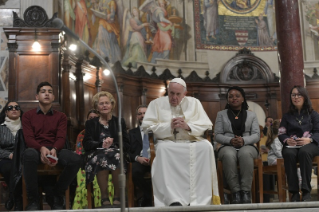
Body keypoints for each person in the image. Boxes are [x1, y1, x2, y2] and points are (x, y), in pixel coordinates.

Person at [142, 78, 220, 206]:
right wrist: (168, 126)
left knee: (206, 147)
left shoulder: (194, 103)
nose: (174, 97)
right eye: (171, 93)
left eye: (178, 94)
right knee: (162, 149)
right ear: (168, 91)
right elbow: (147, 127)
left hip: (192, 141)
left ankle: (199, 200)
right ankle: (172, 199)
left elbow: (206, 126)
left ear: (185, 93)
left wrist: (188, 126)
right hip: (168, 142)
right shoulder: (156, 104)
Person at [22, 82, 82, 210]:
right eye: (43, 91)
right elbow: (29, 138)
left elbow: (61, 137)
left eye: (50, 91)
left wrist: (54, 149)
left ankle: (56, 194)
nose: (47, 94)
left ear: (53, 97)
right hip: (36, 149)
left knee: (76, 159)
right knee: (28, 154)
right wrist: (41, 149)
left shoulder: (61, 116)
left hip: (55, 149)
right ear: (37, 96)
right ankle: (33, 200)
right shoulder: (28, 116)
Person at [83, 91, 130, 208]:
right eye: (101, 103)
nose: (104, 106)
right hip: (97, 153)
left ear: (112, 105)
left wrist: (114, 142)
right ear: (96, 107)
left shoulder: (119, 122)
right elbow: (86, 144)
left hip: (116, 152)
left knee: (116, 156)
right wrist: (101, 143)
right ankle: (104, 198)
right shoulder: (91, 123)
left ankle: (117, 197)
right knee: (102, 156)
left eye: (107, 103)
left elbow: (126, 143)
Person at [214, 86, 260, 204]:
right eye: (231, 96)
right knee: (229, 155)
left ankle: (245, 192)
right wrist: (230, 140)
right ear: (228, 99)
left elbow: (256, 135)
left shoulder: (252, 115)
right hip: (227, 145)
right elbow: (217, 135)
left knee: (245, 154)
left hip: (248, 145)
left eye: (237, 96)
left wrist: (244, 140)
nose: (234, 98)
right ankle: (235, 192)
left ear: (243, 99)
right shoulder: (221, 114)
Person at [278, 86, 319, 202]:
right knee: (288, 153)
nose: (296, 97)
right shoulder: (287, 116)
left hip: (311, 144)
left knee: (304, 152)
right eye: (293, 95)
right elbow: (281, 133)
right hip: (292, 145)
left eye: (299, 94)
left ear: (304, 96)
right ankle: (294, 192)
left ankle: (306, 191)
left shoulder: (313, 114)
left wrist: (309, 140)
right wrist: (286, 140)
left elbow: (318, 131)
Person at [73, 109, 102, 209]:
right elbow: (79, 153)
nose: (93, 120)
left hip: (101, 162)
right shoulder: (82, 134)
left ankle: (103, 204)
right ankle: (85, 204)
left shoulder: (104, 132)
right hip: (85, 162)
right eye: (90, 118)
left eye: (95, 118)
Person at [0, 101, 23, 211]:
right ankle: (17, 199)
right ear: (6, 112)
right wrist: (9, 155)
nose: (14, 109)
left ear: (20, 111)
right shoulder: (1, 128)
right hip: (6, 158)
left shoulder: (26, 127)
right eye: (10, 107)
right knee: (10, 168)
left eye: (17, 107)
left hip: (23, 157)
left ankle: (13, 197)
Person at [128, 105, 152, 207]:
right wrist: (138, 158)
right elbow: (126, 152)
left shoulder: (157, 131)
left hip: (155, 160)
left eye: (145, 113)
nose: (142, 115)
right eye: (140, 114)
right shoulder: (131, 133)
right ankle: (149, 196)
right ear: (137, 117)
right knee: (134, 171)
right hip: (139, 161)